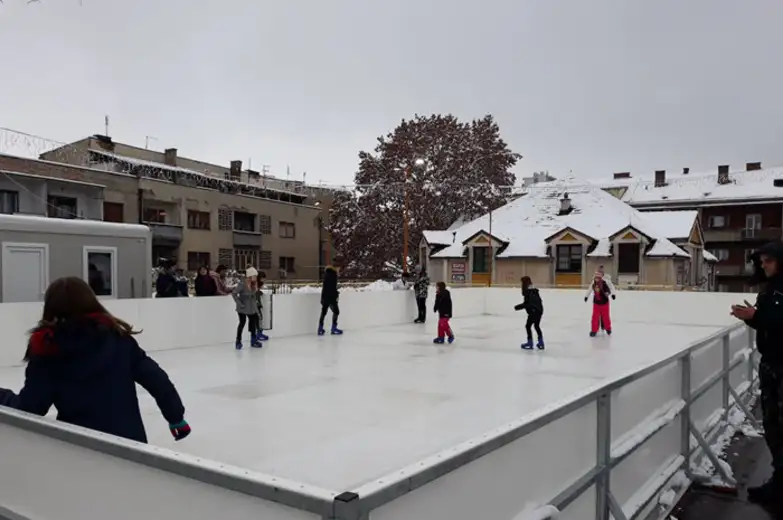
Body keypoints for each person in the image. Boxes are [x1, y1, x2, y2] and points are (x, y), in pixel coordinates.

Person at [0, 277, 190, 444]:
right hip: (130, 442)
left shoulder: (48, 350)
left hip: (82, 448)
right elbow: (156, 379)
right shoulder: (118, 339)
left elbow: (30, 408)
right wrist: (176, 417)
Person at [731, 241, 783, 510]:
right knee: (773, 426)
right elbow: (769, 321)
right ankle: (778, 481)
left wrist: (758, 315)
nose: (764, 266)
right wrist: (751, 317)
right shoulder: (771, 288)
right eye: (762, 262)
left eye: (769, 261)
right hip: (771, 365)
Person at [232, 267, 263, 349]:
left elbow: (253, 297)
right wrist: (239, 303)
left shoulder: (254, 284)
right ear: (250, 276)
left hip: (251, 307)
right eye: (254, 276)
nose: (256, 277)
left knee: (253, 323)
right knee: (242, 323)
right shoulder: (242, 284)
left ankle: (253, 340)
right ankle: (238, 341)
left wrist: (256, 309)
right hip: (243, 306)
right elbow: (234, 293)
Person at [514, 276, 544, 350]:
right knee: (536, 326)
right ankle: (541, 342)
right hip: (539, 310)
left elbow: (528, 304)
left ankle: (530, 343)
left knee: (528, 326)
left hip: (534, 310)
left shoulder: (528, 292)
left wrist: (517, 307)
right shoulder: (534, 290)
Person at [585, 272, 615, 336]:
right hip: (596, 303)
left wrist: (612, 294)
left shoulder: (604, 283)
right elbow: (590, 289)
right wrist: (586, 296)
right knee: (595, 317)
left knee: (606, 317)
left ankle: (608, 329)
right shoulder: (593, 284)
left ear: (600, 278)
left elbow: (609, 290)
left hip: (604, 303)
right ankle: (594, 330)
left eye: (598, 278)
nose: (596, 279)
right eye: (595, 278)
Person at [318, 265, 343, 335]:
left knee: (323, 313)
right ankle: (334, 328)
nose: (338, 271)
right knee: (336, 312)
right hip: (331, 298)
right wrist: (336, 294)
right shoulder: (333, 275)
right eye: (338, 269)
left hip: (324, 297)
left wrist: (322, 298)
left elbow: (325, 287)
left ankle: (320, 328)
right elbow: (332, 288)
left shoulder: (326, 275)